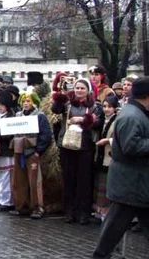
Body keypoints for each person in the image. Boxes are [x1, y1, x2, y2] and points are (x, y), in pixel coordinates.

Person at [93, 76, 149, 258]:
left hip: (139, 187)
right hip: (130, 187)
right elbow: (131, 147)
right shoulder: (132, 116)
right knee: (109, 238)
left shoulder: (137, 113)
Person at [52, 78, 103, 225]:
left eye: (82, 88)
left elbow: (98, 122)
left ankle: (83, 212)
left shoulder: (95, 106)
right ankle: (69, 211)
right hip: (67, 145)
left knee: (84, 181)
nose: (79, 91)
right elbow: (55, 109)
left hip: (85, 147)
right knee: (69, 180)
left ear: (88, 90)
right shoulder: (68, 104)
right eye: (77, 88)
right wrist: (60, 95)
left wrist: (82, 119)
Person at [9, 90, 52, 219]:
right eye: (24, 101)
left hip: (32, 151)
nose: (26, 103)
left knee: (34, 181)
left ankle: (37, 207)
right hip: (19, 151)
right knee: (18, 180)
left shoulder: (39, 116)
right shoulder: (18, 115)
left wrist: (38, 151)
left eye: (28, 101)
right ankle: (21, 206)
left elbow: (46, 135)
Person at [94, 96, 119, 221]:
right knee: (101, 184)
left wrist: (108, 140)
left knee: (107, 185)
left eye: (109, 107)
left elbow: (120, 138)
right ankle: (100, 210)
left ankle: (107, 211)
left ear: (115, 108)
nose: (106, 109)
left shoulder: (117, 120)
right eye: (104, 106)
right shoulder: (102, 120)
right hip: (100, 157)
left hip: (109, 157)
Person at [0, 91, 16, 211]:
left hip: (7, 151)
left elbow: (9, 135)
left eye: (2, 105)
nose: (0, 107)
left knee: (6, 177)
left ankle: (6, 201)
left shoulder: (11, 117)